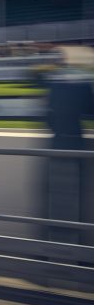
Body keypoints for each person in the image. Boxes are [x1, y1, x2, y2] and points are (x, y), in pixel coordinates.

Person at [45, 46, 94, 246]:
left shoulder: (53, 81)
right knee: (80, 194)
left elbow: (48, 114)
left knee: (56, 194)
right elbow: (90, 111)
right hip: (76, 141)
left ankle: (56, 237)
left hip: (57, 141)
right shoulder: (82, 80)